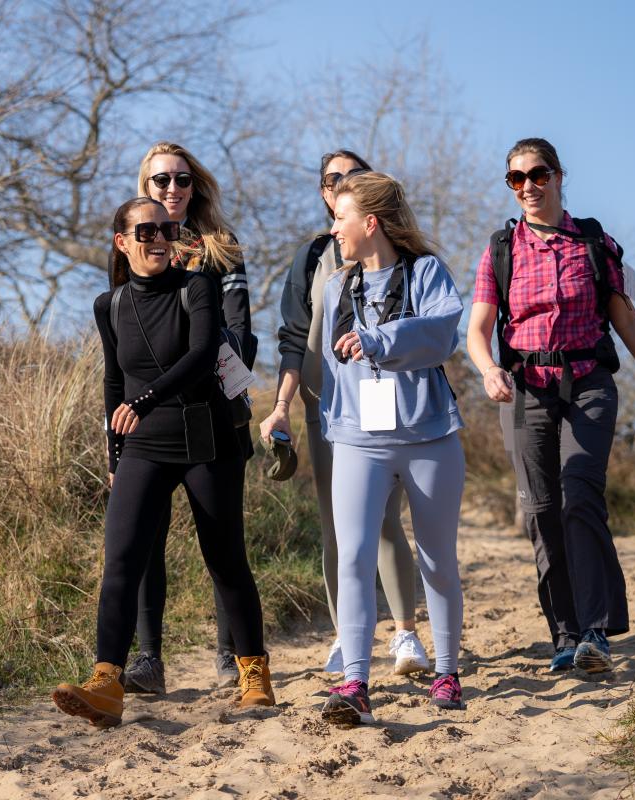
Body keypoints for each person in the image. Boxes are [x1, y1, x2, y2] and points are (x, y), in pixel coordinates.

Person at [51, 197, 274, 728]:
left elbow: (201, 355)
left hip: (206, 440)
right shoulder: (109, 305)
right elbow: (113, 381)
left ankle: (254, 673)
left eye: (166, 231)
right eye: (145, 232)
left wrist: (145, 400)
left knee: (225, 559)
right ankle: (106, 682)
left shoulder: (196, 288)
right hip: (143, 445)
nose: (158, 240)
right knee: (122, 560)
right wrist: (115, 453)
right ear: (121, 242)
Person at [466, 137, 635, 675]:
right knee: (540, 508)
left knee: (579, 490)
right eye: (516, 178)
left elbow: (625, 318)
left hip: (588, 382)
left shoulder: (594, 242)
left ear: (559, 176)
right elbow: (478, 330)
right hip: (526, 389)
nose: (529, 186)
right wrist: (488, 369)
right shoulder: (501, 249)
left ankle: (596, 631)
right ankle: (565, 633)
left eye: (539, 174)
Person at [260, 150, 430, 677]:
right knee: (337, 525)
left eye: (353, 176)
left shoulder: (399, 257)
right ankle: (345, 636)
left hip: (381, 401)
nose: (341, 184)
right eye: (332, 178)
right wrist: (282, 405)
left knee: (384, 520)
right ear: (321, 191)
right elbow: (294, 338)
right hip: (325, 406)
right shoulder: (313, 256)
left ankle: (405, 634)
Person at [317, 171, 467, 726]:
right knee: (354, 556)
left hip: (429, 437)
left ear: (370, 223)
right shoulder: (337, 288)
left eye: (341, 219)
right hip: (360, 441)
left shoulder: (426, 273)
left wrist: (378, 339)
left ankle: (447, 672)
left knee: (437, 560)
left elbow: (442, 334)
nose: (334, 229)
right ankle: (356, 682)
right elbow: (332, 370)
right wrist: (334, 428)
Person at [121, 142, 259, 693]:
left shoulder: (220, 248)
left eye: (182, 179)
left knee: (222, 544)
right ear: (145, 186)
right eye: (161, 180)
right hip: (150, 418)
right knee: (145, 540)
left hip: (213, 411)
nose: (173, 189)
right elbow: (123, 335)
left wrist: (204, 368)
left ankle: (231, 656)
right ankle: (148, 660)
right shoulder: (132, 243)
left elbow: (240, 331)